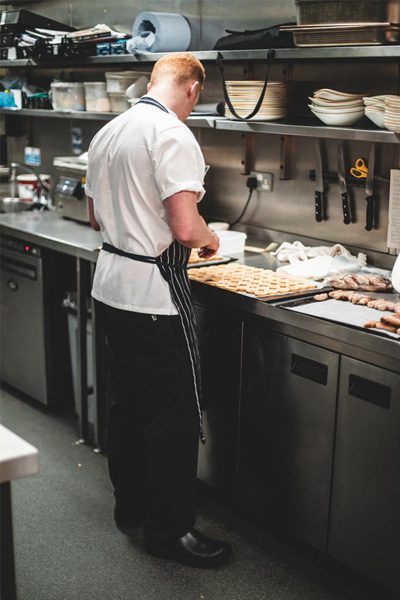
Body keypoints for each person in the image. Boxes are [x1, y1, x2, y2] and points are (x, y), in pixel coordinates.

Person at [85, 53, 232, 568]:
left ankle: (133, 508)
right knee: (171, 416)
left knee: (127, 406)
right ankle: (171, 533)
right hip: (153, 297)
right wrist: (212, 238)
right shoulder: (172, 134)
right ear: (192, 89)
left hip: (109, 285)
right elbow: (187, 230)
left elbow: (95, 214)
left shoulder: (111, 129)